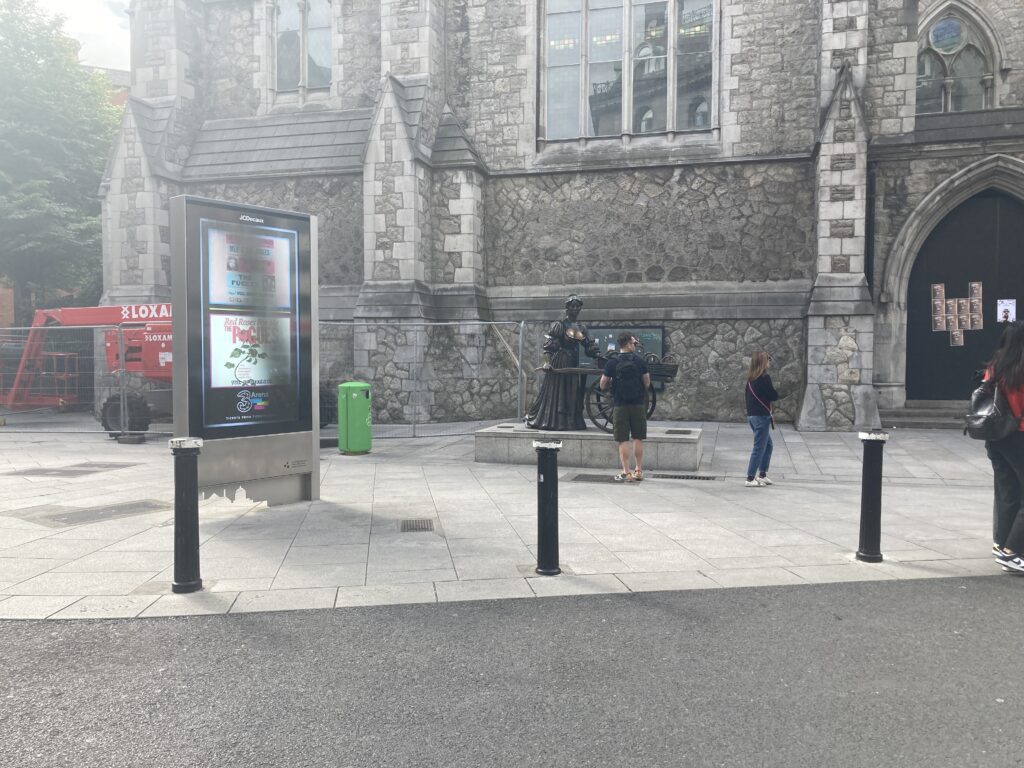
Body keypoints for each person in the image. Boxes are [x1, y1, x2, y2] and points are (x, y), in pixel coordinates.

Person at [525, 295, 600, 431]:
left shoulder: (582, 328)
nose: (575, 308)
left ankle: (572, 421)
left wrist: (596, 352)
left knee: (572, 391)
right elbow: (549, 347)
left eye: (578, 306)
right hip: (560, 362)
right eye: (573, 306)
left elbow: (588, 346)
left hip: (573, 362)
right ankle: (556, 422)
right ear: (567, 308)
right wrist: (547, 363)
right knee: (559, 392)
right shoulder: (560, 325)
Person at [984, 322, 1024, 573]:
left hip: (996, 436)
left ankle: (1001, 543)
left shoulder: (995, 366)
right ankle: (1013, 551)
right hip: (1019, 435)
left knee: (1007, 490)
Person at [600, 333, 651, 482]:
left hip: (620, 405)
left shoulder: (612, 363)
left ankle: (626, 472)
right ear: (628, 344)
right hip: (637, 404)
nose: (635, 345)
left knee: (623, 439)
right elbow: (647, 383)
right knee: (638, 438)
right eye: (634, 343)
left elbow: (602, 384)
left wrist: (612, 383)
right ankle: (639, 470)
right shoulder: (640, 362)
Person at [744, 351, 779, 487]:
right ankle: (750, 478)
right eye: (768, 360)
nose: (769, 362)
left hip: (752, 416)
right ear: (763, 363)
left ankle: (762, 475)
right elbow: (773, 395)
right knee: (759, 447)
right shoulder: (764, 378)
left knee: (768, 445)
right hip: (761, 417)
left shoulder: (750, 379)